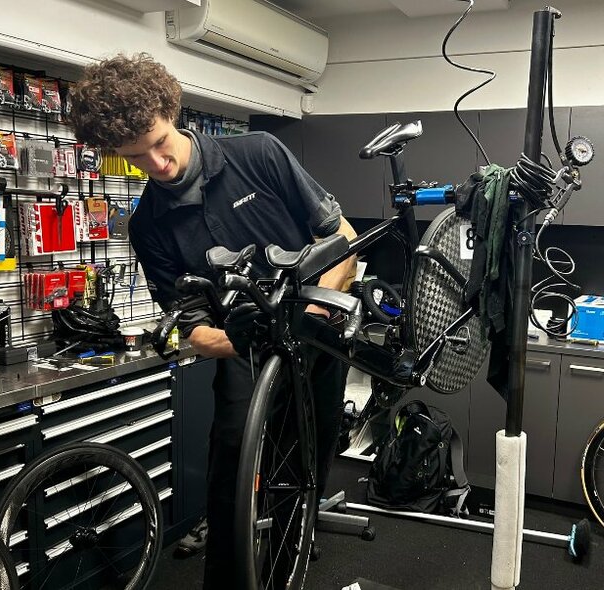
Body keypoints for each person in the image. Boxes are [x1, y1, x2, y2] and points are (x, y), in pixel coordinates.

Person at [67, 53, 356, 587]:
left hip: (316, 341)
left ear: (169, 109)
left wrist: (311, 313)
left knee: (306, 469)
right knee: (232, 478)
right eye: (136, 158)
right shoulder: (149, 225)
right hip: (245, 351)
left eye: (159, 142)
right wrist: (237, 338)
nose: (157, 164)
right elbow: (193, 330)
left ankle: (290, 559)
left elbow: (342, 242)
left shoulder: (260, 154)